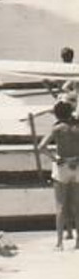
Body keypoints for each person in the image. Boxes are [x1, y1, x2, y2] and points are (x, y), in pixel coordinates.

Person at [38, 100, 79, 248]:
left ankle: (60, 242)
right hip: (77, 165)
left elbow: (41, 147)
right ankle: (78, 242)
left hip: (62, 166)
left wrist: (55, 158)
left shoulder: (57, 128)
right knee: (76, 205)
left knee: (60, 206)